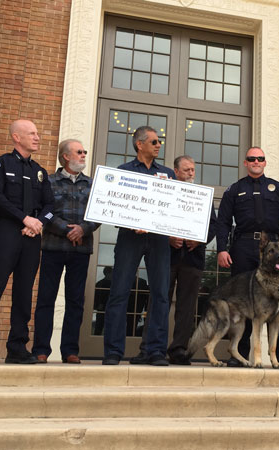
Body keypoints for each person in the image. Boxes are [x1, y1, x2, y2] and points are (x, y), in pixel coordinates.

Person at [0, 119, 54, 364]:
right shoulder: (1, 164)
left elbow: (51, 206)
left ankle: (17, 347)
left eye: (37, 133)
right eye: (32, 133)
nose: (37, 137)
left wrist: (39, 222)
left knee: (24, 292)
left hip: (31, 237)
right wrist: (24, 218)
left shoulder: (40, 171)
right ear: (16, 137)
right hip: (6, 232)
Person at [216, 146, 279, 369]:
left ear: (264, 162)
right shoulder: (235, 189)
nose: (256, 161)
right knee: (242, 301)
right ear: (245, 162)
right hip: (243, 245)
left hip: (273, 247)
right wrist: (222, 248)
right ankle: (239, 355)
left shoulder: (278, 189)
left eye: (260, 158)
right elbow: (223, 220)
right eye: (252, 158)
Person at [133, 155, 217, 365]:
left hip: (193, 258)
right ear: (176, 172)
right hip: (165, 257)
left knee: (187, 307)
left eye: (193, 170)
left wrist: (198, 240)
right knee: (157, 302)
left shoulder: (202, 195)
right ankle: (149, 349)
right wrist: (168, 237)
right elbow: (153, 218)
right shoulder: (165, 192)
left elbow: (213, 225)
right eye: (186, 170)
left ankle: (179, 349)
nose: (191, 173)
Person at [102, 126, 175, 366]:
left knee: (161, 295)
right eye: (154, 141)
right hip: (129, 238)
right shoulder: (123, 171)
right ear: (139, 144)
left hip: (158, 240)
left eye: (159, 141)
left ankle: (155, 351)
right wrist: (131, 222)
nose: (158, 145)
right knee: (120, 291)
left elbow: (172, 209)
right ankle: (113, 351)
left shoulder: (167, 174)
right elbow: (114, 206)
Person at [32, 139, 100, 364]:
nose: (83, 155)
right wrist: (64, 229)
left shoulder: (92, 184)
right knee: (46, 299)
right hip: (53, 247)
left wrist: (83, 229)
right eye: (79, 152)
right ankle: (41, 349)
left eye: (84, 151)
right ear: (65, 157)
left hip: (81, 250)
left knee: (76, 301)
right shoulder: (48, 182)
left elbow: (98, 213)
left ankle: (70, 350)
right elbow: (44, 212)